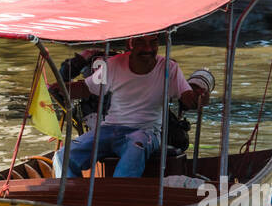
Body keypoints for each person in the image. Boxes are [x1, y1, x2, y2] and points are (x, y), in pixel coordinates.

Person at [57, 34, 211, 179]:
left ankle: (120, 198)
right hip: (109, 129)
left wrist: (200, 98)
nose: (148, 49)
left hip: (145, 132)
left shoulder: (168, 68)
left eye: (153, 43)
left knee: (136, 147)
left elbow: (188, 99)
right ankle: (70, 197)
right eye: (140, 43)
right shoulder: (113, 64)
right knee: (61, 156)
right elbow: (86, 88)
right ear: (129, 45)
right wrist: (57, 88)